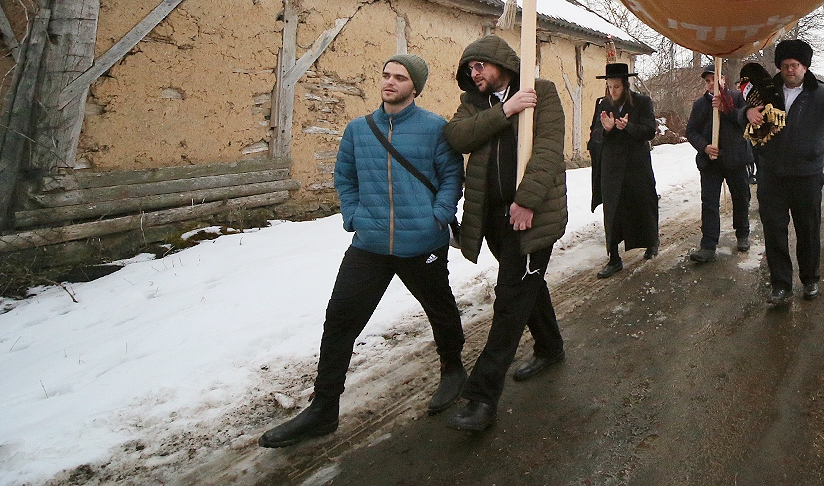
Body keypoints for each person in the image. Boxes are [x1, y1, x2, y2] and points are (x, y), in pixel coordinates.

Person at [260, 54, 465, 448]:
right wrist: (353, 215)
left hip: (422, 240)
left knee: (439, 306)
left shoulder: (434, 128)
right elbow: (345, 175)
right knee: (339, 318)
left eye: (400, 77)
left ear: (415, 87)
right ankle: (324, 409)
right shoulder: (358, 130)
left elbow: (451, 176)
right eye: (386, 74)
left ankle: (453, 370)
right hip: (369, 243)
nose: (389, 82)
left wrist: (438, 216)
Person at [442, 36, 567, 432]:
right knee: (525, 286)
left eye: (479, 66)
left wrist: (527, 200)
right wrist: (506, 111)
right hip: (493, 218)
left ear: (500, 62)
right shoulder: (475, 105)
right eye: (469, 70)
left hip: (531, 216)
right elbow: (457, 137)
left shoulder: (540, 92)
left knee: (510, 299)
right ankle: (550, 347)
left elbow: (548, 149)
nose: (473, 74)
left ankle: (481, 397)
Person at [745, 39, 824, 305]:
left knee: (807, 230)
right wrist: (748, 111)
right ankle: (781, 285)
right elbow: (745, 109)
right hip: (771, 174)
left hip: (806, 174)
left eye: (795, 65)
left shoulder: (821, 93)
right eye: (785, 65)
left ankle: (810, 279)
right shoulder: (767, 91)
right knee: (774, 231)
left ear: (805, 67)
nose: (790, 70)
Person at [589, 63, 659, 278]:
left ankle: (651, 241)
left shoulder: (642, 102)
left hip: (636, 166)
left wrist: (627, 126)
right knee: (612, 211)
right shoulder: (603, 105)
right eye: (609, 87)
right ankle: (614, 258)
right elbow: (594, 134)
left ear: (626, 86)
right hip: (611, 168)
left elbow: (649, 131)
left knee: (643, 204)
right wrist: (607, 129)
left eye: (617, 87)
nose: (613, 91)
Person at [686, 64, 752, 262]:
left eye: (714, 79)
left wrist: (726, 109)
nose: (711, 84)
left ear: (723, 79)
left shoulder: (738, 98)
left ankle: (742, 234)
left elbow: (746, 122)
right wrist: (704, 147)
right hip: (711, 162)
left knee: (741, 198)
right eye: (707, 81)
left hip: (736, 159)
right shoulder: (700, 105)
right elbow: (691, 131)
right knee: (709, 203)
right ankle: (708, 244)